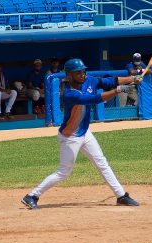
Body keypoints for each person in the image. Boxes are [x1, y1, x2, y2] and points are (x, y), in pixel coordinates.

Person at [21, 58, 142, 210]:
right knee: (63, 172)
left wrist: (132, 78)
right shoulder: (70, 94)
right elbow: (93, 99)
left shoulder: (89, 80)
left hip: (85, 132)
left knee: (101, 162)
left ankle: (121, 196)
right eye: (78, 72)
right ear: (69, 75)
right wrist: (118, 90)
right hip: (70, 137)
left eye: (83, 71)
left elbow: (110, 81)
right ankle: (32, 196)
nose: (82, 74)